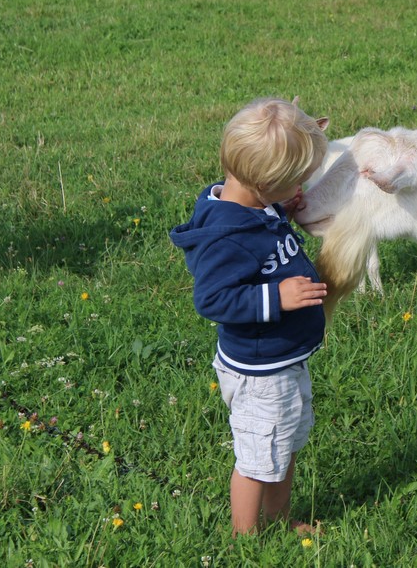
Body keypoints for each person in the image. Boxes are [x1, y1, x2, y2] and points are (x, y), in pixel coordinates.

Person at [169, 97, 329, 535]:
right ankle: (246, 537)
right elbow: (214, 300)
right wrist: (276, 298)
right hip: (260, 373)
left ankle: (278, 518)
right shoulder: (225, 236)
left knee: (284, 447)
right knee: (257, 461)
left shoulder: (254, 205)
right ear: (263, 185)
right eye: (295, 181)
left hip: (284, 360)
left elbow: (264, 222)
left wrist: (284, 205)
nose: (302, 186)